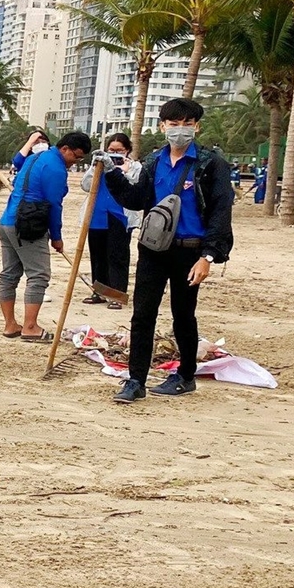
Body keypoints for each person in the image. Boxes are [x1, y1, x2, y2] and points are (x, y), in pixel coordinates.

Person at [102, 98, 233, 403]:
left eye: (187, 123)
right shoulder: (153, 162)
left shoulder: (210, 164)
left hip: (191, 251)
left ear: (197, 127)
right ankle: (135, 381)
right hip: (153, 249)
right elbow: (136, 200)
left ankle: (186, 376)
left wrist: (208, 256)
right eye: (174, 124)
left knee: (183, 315)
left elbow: (220, 211)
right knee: (142, 315)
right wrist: (111, 173)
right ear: (162, 126)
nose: (180, 130)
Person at [0, 130, 92, 340]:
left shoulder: (35, 157)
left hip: (7, 221)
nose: (75, 162)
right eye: (75, 156)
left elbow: (18, 163)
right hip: (28, 226)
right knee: (38, 275)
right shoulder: (56, 168)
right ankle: (30, 327)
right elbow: (54, 206)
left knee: (9, 275)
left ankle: (10, 325)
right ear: (65, 149)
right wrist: (57, 237)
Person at [82, 132, 132, 310]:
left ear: (127, 150)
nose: (114, 153)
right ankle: (99, 292)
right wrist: (93, 167)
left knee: (117, 257)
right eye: (111, 150)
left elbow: (132, 187)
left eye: (119, 150)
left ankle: (117, 295)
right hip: (96, 216)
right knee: (97, 256)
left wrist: (118, 169)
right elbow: (86, 185)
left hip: (119, 216)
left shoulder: (133, 167)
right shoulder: (100, 165)